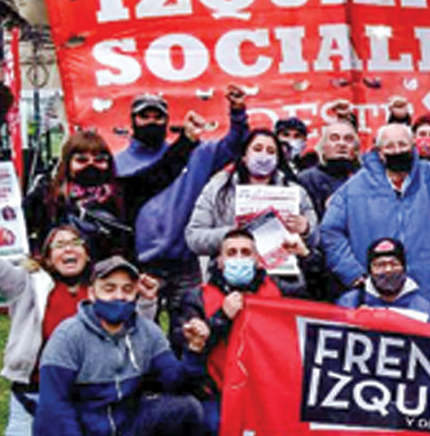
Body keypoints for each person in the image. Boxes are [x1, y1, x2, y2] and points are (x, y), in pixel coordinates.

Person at [116, 85, 249, 353]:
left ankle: (186, 374)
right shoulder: (117, 164)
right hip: (140, 264)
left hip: (184, 263)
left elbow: (234, 145)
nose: (151, 122)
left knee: (190, 333)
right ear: (132, 121)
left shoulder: (195, 155)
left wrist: (237, 112)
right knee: (136, 335)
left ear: (167, 121)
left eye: (157, 117)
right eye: (144, 116)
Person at [0, 225, 158, 435]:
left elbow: (135, 335)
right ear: (48, 258)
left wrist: (146, 300)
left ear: (87, 254)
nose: (68, 249)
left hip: (89, 401)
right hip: (33, 396)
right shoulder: (27, 284)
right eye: (59, 245)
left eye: (76, 243)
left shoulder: (103, 290)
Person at [35, 256, 210, 436]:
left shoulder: (148, 332)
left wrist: (194, 349)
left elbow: (177, 383)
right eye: (109, 289)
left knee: (187, 408)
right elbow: (54, 406)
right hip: (82, 426)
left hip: (128, 425)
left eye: (127, 289)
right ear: (92, 293)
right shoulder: (68, 336)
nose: (119, 296)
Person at [320, 123, 430, 313]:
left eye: (403, 145)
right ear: (379, 152)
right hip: (380, 292)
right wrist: (353, 272)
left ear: (413, 146)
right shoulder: (354, 187)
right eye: (390, 146)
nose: (397, 151)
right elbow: (330, 231)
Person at [26, 120, 202, 259]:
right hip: (62, 280)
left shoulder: (124, 192)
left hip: (113, 279)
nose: (91, 165)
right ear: (67, 163)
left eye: (99, 160)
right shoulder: (47, 195)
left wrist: (187, 140)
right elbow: (21, 227)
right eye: (81, 160)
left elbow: (162, 172)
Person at [181, 228, 289, 434]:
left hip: (268, 392)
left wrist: (306, 256)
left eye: (245, 253)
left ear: (258, 260)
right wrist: (222, 317)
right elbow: (188, 354)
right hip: (217, 392)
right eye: (231, 253)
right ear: (220, 261)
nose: (239, 258)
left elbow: (318, 298)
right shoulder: (197, 298)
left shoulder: (278, 291)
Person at [185, 129, 318, 295]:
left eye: (271, 151)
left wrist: (305, 229)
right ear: (244, 155)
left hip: (282, 282)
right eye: (257, 149)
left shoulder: (296, 192)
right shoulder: (218, 189)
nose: (264, 156)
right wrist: (232, 234)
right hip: (228, 282)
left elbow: (316, 241)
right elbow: (194, 237)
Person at [336, 237, 430, 324]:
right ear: (370, 270)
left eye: (394, 264)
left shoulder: (422, 308)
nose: (388, 270)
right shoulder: (350, 302)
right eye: (380, 265)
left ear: (403, 268)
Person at [297, 119, 362, 218]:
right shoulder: (307, 179)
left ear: (356, 148)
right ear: (323, 146)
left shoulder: (366, 179)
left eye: (348, 139)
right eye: (334, 138)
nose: (342, 144)